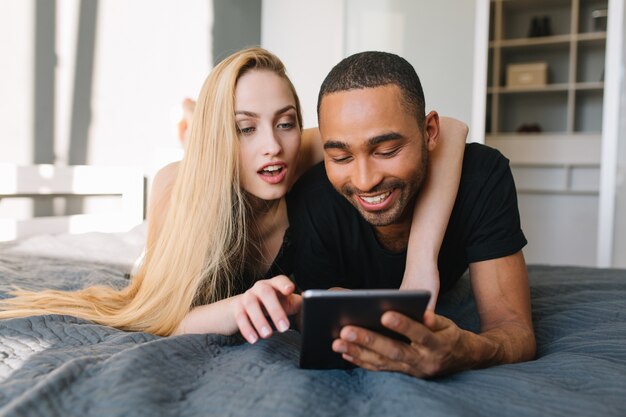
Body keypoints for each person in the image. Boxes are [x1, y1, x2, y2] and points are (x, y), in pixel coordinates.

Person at [0, 48, 466, 341]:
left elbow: (452, 130)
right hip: (167, 254)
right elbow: (158, 313)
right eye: (244, 127)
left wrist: (419, 266)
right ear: (218, 137)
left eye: (285, 121)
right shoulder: (174, 186)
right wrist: (232, 308)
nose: (272, 143)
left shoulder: (296, 152)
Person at [286, 51, 536, 377]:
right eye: (340, 157)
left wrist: (467, 350)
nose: (365, 180)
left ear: (430, 131)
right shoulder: (313, 199)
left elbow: (514, 330)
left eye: (387, 151)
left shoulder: (482, 177)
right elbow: (318, 313)